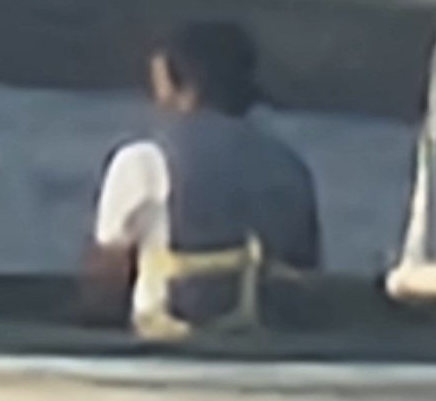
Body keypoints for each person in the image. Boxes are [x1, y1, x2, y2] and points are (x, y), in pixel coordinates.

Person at [77, 18, 323, 326]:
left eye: (158, 85)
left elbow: (103, 289)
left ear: (184, 88)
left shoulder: (144, 162)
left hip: (167, 352)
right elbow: (308, 282)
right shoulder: (290, 167)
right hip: (270, 355)